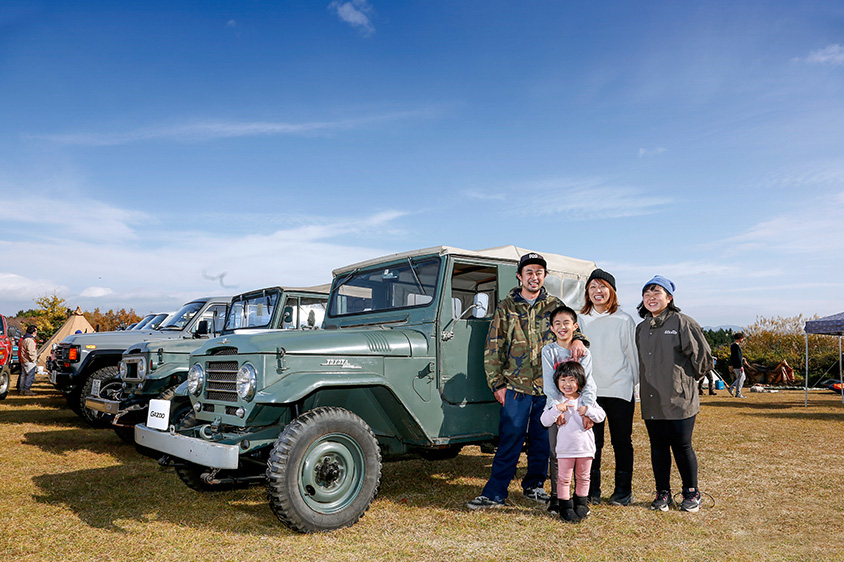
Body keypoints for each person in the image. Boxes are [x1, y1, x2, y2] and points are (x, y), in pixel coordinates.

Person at [467, 252, 588, 509]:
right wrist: (497, 384)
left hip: (548, 389)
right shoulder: (506, 306)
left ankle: (534, 486)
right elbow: (493, 347)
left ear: (545, 276)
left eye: (539, 272)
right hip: (515, 387)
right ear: (520, 276)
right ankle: (495, 492)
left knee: (542, 441)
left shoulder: (554, 304)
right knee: (510, 438)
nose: (534, 277)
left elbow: (573, 330)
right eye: (529, 272)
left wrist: (578, 339)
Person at [636, 276, 713, 513]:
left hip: (680, 399)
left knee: (682, 445)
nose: (651, 297)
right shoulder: (641, 328)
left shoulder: (683, 323)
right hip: (651, 398)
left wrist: (684, 382)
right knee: (657, 447)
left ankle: (691, 492)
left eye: (656, 292)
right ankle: (663, 493)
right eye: (647, 293)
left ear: (669, 298)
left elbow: (704, 360)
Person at [578, 268, 639, 506]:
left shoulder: (624, 319)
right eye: (592, 287)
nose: (597, 291)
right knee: (592, 443)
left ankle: (623, 491)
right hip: (591, 392)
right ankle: (591, 490)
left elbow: (632, 357)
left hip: (620, 390)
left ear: (612, 291)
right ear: (587, 292)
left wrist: (633, 386)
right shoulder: (581, 319)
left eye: (602, 286)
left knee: (621, 442)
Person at [541, 304, 597, 513]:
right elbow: (549, 383)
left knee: (583, 454)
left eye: (566, 323)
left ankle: (581, 498)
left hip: (580, 411)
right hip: (559, 410)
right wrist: (557, 411)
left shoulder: (583, 352)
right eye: (557, 324)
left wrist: (588, 410)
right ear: (552, 328)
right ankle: (557, 498)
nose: (562, 327)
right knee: (557, 453)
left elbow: (589, 383)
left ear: (575, 326)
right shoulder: (548, 351)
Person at [541, 361, 605, 523]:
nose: (567, 384)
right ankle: (565, 506)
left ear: (580, 382)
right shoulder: (556, 402)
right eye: (562, 380)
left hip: (585, 449)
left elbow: (601, 416)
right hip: (565, 450)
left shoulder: (586, 400)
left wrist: (588, 410)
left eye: (571, 380)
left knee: (583, 477)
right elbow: (544, 421)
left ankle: (581, 503)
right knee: (564, 479)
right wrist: (557, 410)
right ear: (556, 382)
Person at [19, 325, 38, 396]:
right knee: (30, 376)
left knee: (23, 376)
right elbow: (30, 351)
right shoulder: (30, 340)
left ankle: (22, 390)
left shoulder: (24, 339)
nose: (36, 332)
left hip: (23, 360)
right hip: (29, 360)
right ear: (33, 332)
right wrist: (33, 359)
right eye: (36, 331)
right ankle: (27, 390)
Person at [729, 332, 746, 398]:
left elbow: (733, 357)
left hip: (735, 365)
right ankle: (738, 393)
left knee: (741, 378)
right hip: (738, 365)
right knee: (741, 378)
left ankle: (732, 387)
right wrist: (741, 365)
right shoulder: (736, 346)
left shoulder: (732, 346)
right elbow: (739, 357)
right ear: (739, 339)